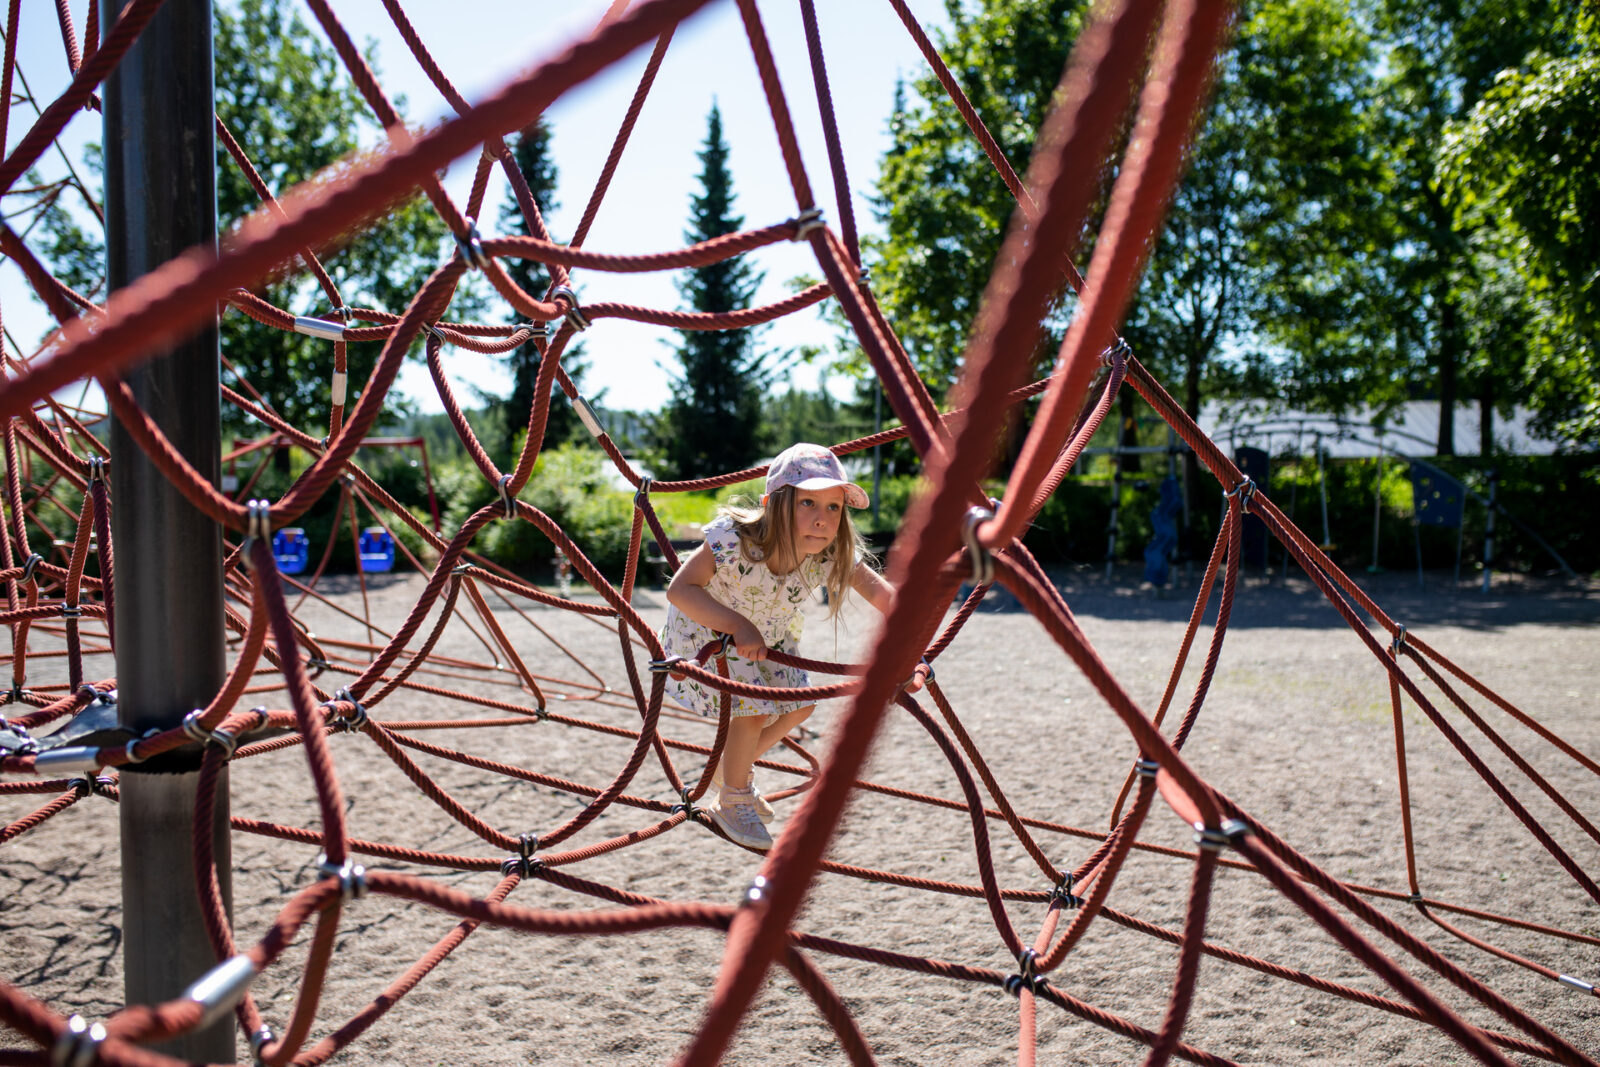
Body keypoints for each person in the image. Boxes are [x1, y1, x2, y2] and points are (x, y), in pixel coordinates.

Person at [659, 442, 918, 851]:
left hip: (769, 638)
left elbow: (886, 597)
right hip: (706, 636)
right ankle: (733, 799)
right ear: (773, 504)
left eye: (834, 508)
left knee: (801, 705)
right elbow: (680, 590)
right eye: (809, 503)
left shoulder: (828, 553)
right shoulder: (735, 538)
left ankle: (735, 777)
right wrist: (737, 625)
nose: (822, 520)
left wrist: (913, 645)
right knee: (754, 705)